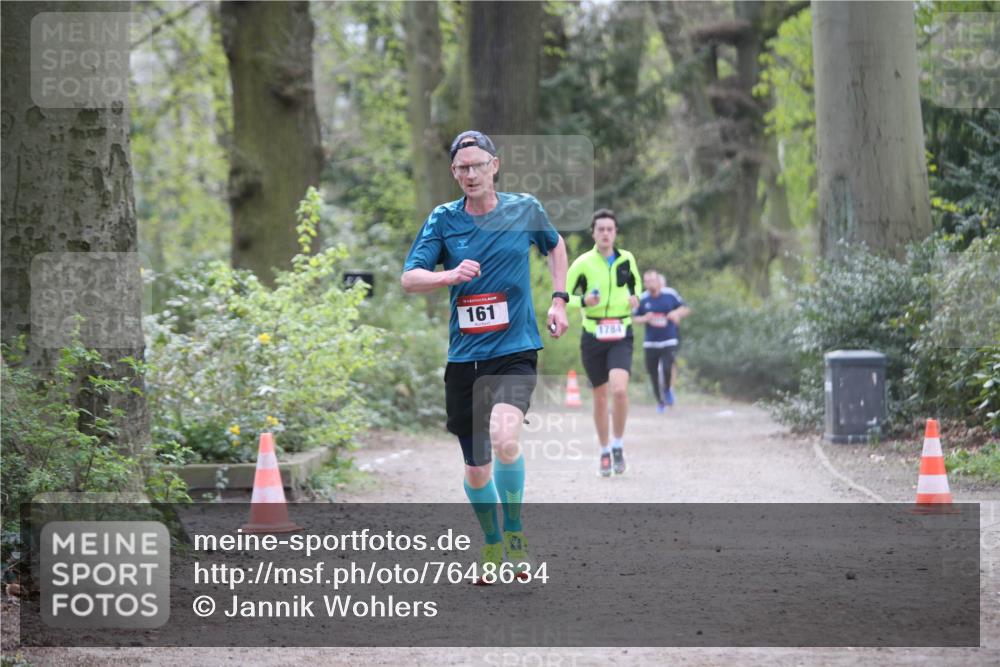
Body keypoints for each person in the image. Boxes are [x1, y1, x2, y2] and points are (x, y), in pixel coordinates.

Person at [401, 131, 569, 583]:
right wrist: (449, 276)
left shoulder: (524, 209)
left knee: (505, 436)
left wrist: (558, 299)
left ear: (495, 165)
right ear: (454, 173)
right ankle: (492, 542)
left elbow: (554, 245)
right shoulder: (443, 220)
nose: (470, 174)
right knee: (477, 469)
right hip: (465, 360)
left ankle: (514, 537)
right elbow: (409, 278)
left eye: (477, 165)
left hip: (515, 351)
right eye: (461, 168)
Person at [566, 209, 641, 477]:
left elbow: (636, 289)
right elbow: (563, 296)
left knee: (619, 390)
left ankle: (619, 445)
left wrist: (635, 300)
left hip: (621, 332)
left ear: (615, 233)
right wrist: (583, 301)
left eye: (610, 229)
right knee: (599, 397)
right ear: (593, 233)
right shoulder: (583, 263)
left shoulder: (627, 259)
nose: (606, 233)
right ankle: (604, 450)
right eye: (601, 229)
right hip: (593, 335)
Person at [634, 270, 689, 412]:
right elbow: (634, 318)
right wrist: (644, 318)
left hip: (669, 339)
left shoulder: (670, 294)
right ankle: (660, 401)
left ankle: (667, 390)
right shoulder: (643, 298)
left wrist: (676, 313)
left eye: (652, 280)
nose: (649, 284)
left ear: (658, 281)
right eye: (646, 281)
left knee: (666, 367)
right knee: (652, 373)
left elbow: (685, 309)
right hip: (651, 342)